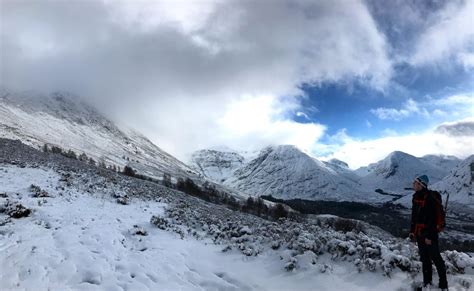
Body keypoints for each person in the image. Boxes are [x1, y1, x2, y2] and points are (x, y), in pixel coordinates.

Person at [409, 175, 448, 290]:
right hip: (420, 234)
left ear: (421, 185)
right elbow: (414, 217)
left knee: (436, 259)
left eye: (415, 182)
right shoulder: (416, 197)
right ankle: (427, 283)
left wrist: (429, 236)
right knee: (425, 259)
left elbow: (433, 219)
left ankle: (443, 285)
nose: (413, 184)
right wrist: (412, 231)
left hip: (430, 235)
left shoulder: (429, 198)